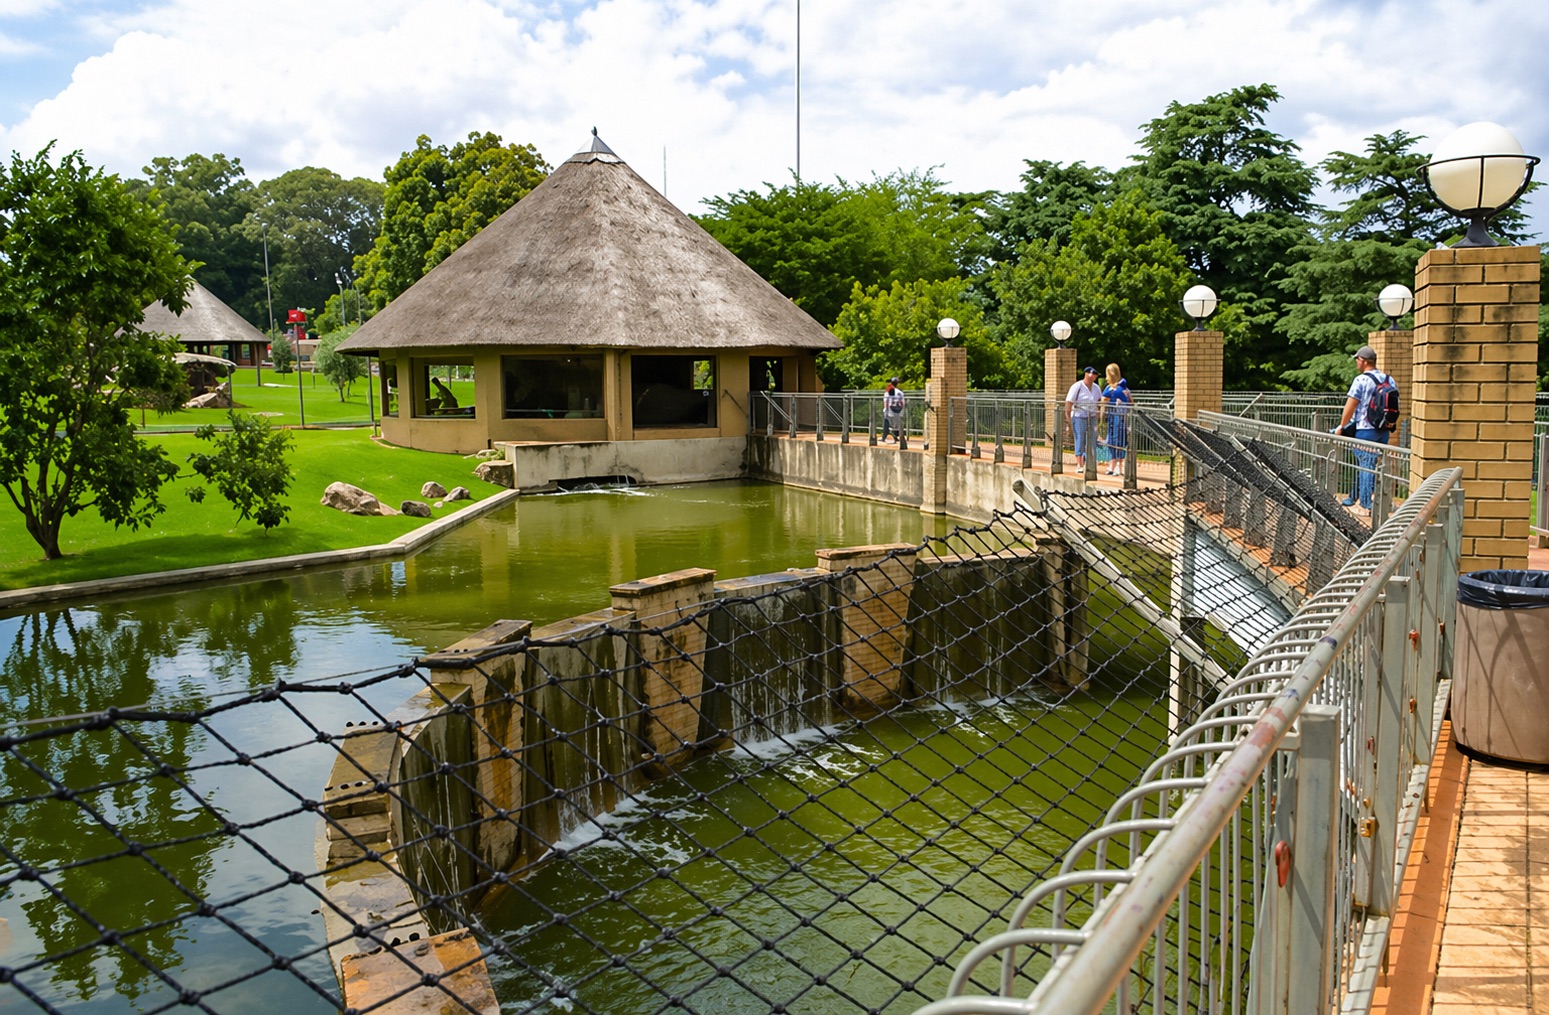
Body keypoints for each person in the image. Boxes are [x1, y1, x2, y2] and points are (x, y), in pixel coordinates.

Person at [1331, 345, 1393, 510]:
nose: (1356, 362)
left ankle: (1367, 503)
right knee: (1367, 463)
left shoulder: (1361, 380)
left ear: (1364, 361)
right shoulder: (1388, 379)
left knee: (1366, 465)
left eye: (1357, 359)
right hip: (1383, 430)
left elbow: (1350, 406)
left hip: (1365, 430)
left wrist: (1341, 426)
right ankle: (1353, 496)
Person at [1065, 366, 1103, 469]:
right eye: (1092, 374)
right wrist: (1068, 419)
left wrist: (1099, 415)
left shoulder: (1096, 388)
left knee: (1092, 439)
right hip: (1079, 416)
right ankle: (1080, 464)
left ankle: (1090, 461)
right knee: (1080, 439)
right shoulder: (1077, 386)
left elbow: (1099, 402)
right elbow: (1069, 402)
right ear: (1086, 374)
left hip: (1092, 416)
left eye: (1095, 375)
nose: (1093, 376)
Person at [1100, 363, 1132, 475]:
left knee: (1116, 441)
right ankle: (1115, 465)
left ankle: (1116, 465)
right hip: (1120, 418)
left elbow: (1103, 400)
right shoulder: (1125, 389)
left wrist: (1102, 416)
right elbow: (1131, 403)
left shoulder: (1112, 389)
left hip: (1116, 419)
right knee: (1117, 442)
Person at [881, 378, 905, 443]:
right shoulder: (900, 392)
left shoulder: (888, 391)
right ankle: (896, 437)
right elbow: (903, 402)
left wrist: (885, 409)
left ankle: (884, 437)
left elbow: (886, 401)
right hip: (897, 409)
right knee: (896, 424)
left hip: (889, 409)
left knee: (887, 423)